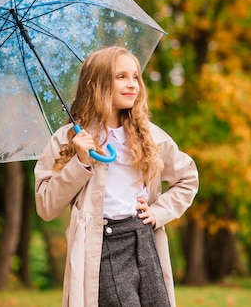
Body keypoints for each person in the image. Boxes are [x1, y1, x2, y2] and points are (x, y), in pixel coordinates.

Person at [34, 45, 199, 307]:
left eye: (135, 76)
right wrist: (80, 161)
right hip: (105, 245)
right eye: (121, 76)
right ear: (96, 83)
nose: (132, 84)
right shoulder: (69, 139)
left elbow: (188, 177)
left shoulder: (149, 136)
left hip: (144, 239)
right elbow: (46, 206)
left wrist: (158, 212)